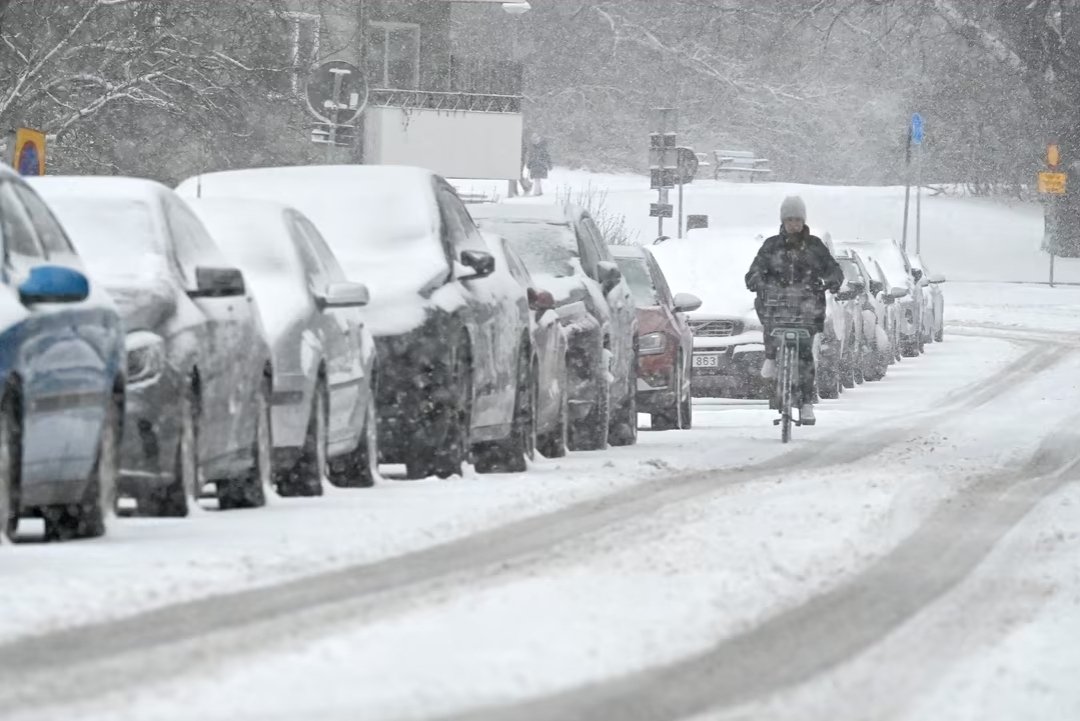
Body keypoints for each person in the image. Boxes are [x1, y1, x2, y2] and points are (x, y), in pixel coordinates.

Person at [744, 196, 843, 425]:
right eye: (789, 220)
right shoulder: (771, 246)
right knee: (769, 324)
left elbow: (833, 270)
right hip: (778, 306)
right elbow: (755, 270)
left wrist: (831, 281)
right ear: (782, 220)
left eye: (797, 220)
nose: (793, 224)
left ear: (803, 220)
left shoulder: (815, 246)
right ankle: (770, 356)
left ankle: (806, 403)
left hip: (807, 309)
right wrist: (757, 280)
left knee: (806, 355)